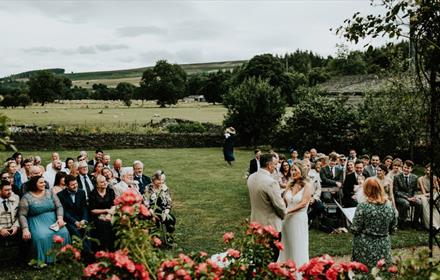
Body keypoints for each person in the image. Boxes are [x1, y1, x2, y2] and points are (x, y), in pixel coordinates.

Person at [18, 176, 70, 263]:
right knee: (41, 236)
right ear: (34, 184)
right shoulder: (26, 197)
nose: (44, 184)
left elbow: (59, 206)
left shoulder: (50, 193)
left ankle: (61, 257)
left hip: (53, 219)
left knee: (64, 232)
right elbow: (22, 215)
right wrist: (25, 229)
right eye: (41, 183)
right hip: (36, 221)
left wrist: (60, 218)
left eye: (44, 182)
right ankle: (43, 260)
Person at [350, 177, 397, 269]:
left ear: (366, 190)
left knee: (363, 273)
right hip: (383, 245)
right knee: (382, 274)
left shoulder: (363, 206)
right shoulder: (389, 205)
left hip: (365, 247)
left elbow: (355, 229)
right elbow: (393, 228)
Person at [247, 153, 286, 261]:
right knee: (272, 256)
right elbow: (279, 206)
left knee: (259, 255)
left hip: (255, 223)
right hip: (270, 225)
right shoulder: (271, 182)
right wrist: (284, 215)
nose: (276, 166)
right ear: (269, 165)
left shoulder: (251, 177)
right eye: (275, 164)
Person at [278, 161, 312, 271]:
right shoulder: (289, 184)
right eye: (292, 170)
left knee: (297, 245)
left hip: (298, 219)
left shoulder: (308, 185)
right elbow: (284, 200)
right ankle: (286, 270)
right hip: (286, 221)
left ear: (301, 171)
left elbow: (303, 203)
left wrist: (288, 211)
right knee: (286, 245)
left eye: (295, 170)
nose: (292, 172)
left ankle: (299, 271)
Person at [57, 175, 90, 253]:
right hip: (69, 220)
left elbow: (84, 208)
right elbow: (64, 212)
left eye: (76, 183)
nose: (75, 186)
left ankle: (87, 252)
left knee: (87, 230)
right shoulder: (60, 195)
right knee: (76, 233)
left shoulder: (81, 192)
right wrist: (75, 222)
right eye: (72, 185)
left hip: (81, 218)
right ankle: (88, 253)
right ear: (67, 186)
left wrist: (84, 220)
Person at [88, 175, 115, 252]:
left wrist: (109, 214)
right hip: (97, 216)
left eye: (105, 181)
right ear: (97, 184)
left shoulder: (110, 191)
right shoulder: (93, 194)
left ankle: (112, 248)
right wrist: (106, 210)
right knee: (102, 225)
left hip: (110, 215)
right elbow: (92, 210)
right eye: (102, 182)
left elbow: (114, 205)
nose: (105, 183)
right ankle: (101, 249)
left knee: (111, 223)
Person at [144, 173, 176, 237]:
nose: (161, 182)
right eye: (159, 180)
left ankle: (168, 236)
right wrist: (152, 213)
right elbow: (146, 201)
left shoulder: (164, 187)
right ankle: (155, 238)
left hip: (163, 209)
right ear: (154, 180)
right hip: (152, 210)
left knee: (171, 219)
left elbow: (169, 201)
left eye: (162, 180)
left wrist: (166, 212)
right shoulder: (148, 188)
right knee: (155, 222)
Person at [393, 160, 422, 229]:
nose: (405, 169)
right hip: (400, 197)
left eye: (408, 168)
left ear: (411, 169)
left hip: (411, 196)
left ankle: (415, 222)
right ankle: (403, 222)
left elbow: (415, 190)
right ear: (403, 167)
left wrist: (414, 196)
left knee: (419, 203)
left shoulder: (414, 177)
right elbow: (396, 191)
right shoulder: (397, 177)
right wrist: (407, 198)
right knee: (406, 203)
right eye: (405, 167)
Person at [0, 179, 21, 250]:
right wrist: (0, 229)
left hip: (14, 229)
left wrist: (16, 227)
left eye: (10, 189)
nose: (9, 192)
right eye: (6, 190)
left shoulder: (16, 198)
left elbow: (20, 215)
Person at [418, 164, 440, 229]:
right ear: (425, 170)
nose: (428, 172)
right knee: (425, 200)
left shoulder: (435, 178)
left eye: (430, 171)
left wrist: (435, 185)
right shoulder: (421, 179)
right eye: (427, 170)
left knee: (436, 200)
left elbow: (436, 190)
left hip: (432, 195)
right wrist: (427, 196)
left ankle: (437, 222)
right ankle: (430, 224)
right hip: (424, 195)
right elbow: (423, 191)